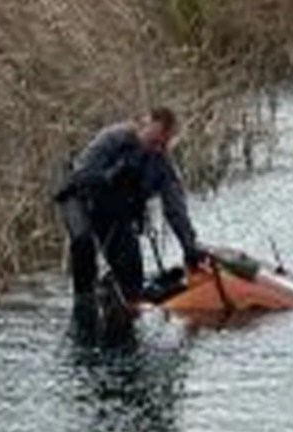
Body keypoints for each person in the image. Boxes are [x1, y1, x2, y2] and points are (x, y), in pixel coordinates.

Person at [51, 107, 206, 306]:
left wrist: (189, 246)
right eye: (154, 142)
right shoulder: (112, 139)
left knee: (132, 283)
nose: (158, 149)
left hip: (114, 210)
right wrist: (111, 175)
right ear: (144, 125)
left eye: (163, 145)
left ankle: (114, 294)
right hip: (80, 198)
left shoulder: (161, 164)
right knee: (83, 242)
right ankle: (84, 300)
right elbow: (82, 176)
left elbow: (175, 208)